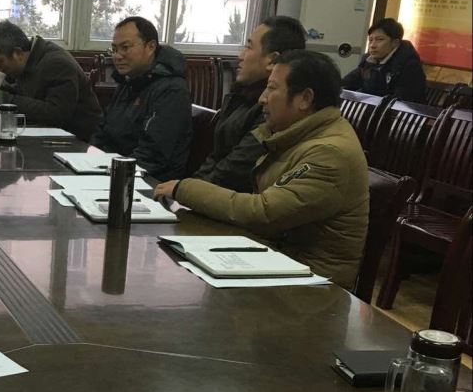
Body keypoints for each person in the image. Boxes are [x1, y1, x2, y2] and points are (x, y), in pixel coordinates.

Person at [154, 51, 369, 288]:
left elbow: (264, 213)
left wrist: (184, 189)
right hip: (279, 262)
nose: (262, 99)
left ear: (305, 99)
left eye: (271, 88)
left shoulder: (329, 153)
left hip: (313, 287)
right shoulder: (292, 134)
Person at [191, 16, 306, 191]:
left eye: (248, 47)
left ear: (272, 60)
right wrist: (186, 189)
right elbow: (216, 157)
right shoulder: (241, 95)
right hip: (212, 194)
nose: (240, 56)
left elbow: (234, 172)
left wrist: (186, 192)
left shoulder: (274, 110)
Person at [90, 17, 191, 181]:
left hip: (148, 181)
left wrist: (109, 173)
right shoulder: (128, 81)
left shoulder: (172, 90)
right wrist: (91, 160)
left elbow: (152, 156)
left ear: (150, 47)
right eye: (114, 49)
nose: (117, 56)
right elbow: (102, 131)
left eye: (125, 48)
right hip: (114, 170)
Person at [0, 21, 101, 141]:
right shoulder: (29, 61)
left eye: (0, 61)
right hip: (49, 135)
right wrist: (8, 89)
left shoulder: (57, 63)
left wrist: (7, 100)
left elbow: (57, 114)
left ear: (18, 53)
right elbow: (35, 94)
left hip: (78, 140)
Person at [341, 18, 427, 102]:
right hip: (373, 108)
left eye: (379, 40)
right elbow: (346, 83)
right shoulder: (368, 61)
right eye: (370, 40)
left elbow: (401, 100)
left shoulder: (409, 65)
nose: (372, 45)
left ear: (395, 43)